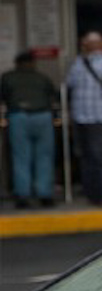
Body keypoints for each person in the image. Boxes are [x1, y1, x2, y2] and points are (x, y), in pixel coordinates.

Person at [66, 32, 102, 205]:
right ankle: (97, 195)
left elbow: (69, 84)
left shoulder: (79, 63)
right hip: (97, 117)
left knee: (87, 157)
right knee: (97, 157)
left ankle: (92, 192)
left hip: (83, 116)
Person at [2, 51, 58, 207]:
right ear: (33, 63)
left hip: (19, 116)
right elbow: (53, 96)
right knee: (44, 156)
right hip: (43, 117)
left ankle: (22, 195)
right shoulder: (42, 77)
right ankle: (45, 194)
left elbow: (3, 96)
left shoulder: (8, 77)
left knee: (21, 157)